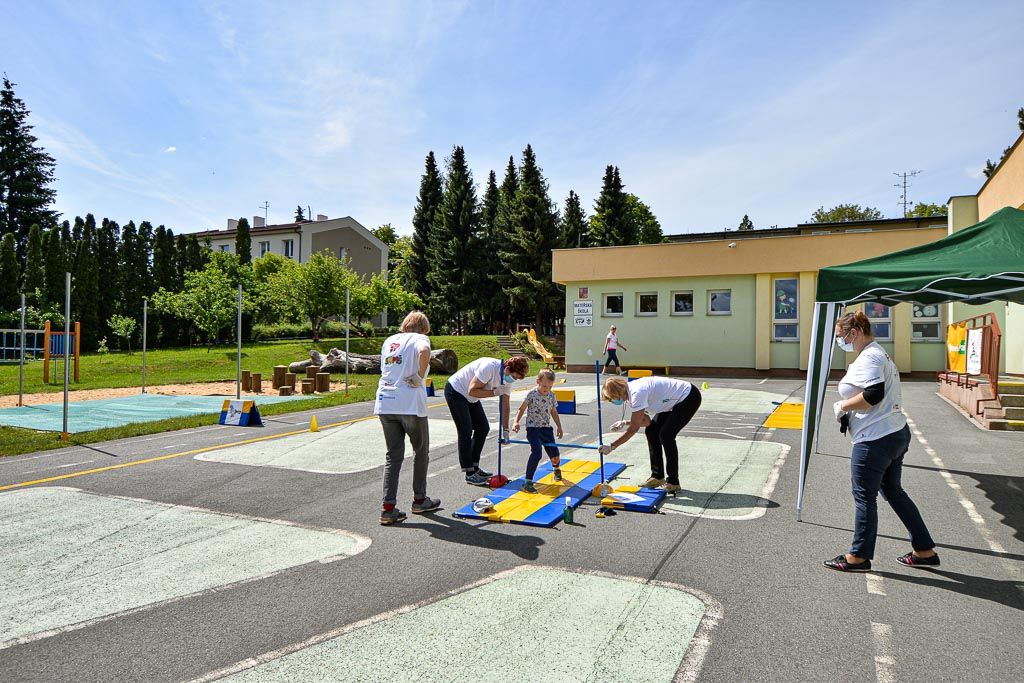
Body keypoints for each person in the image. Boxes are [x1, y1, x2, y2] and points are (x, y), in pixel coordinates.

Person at [823, 311, 938, 572]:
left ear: (854, 333)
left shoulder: (870, 357)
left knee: (864, 496)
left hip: (875, 439)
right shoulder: (877, 353)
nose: (840, 341)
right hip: (893, 432)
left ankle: (858, 556)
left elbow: (873, 394)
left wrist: (842, 406)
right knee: (894, 491)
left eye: (840, 336)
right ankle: (924, 550)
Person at [373, 311, 440, 525]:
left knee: (393, 455)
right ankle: (419, 499)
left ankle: (388, 507)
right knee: (420, 451)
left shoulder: (390, 340)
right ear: (424, 328)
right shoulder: (420, 339)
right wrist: (419, 376)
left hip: (385, 401)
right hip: (409, 402)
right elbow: (424, 351)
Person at [598, 375, 701, 493]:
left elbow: (633, 429)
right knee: (652, 431)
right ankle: (657, 477)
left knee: (666, 436)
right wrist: (625, 422)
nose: (611, 401)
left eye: (610, 399)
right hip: (671, 402)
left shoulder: (637, 393)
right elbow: (646, 422)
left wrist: (612, 446)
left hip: (688, 397)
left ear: (617, 394)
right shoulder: (630, 394)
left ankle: (673, 482)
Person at [445, 355, 530, 486]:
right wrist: (494, 392)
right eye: (514, 377)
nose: (513, 380)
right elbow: (472, 390)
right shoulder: (489, 367)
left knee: (483, 428)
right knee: (465, 430)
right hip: (456, 391)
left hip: (471, 397)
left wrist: (506, 429)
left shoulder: (506, 380)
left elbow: (505, 405)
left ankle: (475, 467)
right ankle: (469, 473)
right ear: (507, 369)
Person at [511, 368, 564, 493]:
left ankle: (556, 468)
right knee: (537, 453)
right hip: (533, 428)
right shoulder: (532, 394)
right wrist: (516, 421)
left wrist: (559, 426)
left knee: (554, 452)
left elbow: (554, 412)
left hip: (546, 428)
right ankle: (528, 481)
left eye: (550, 386)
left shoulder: (552, 395)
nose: (547, 389)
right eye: (545, 386)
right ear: (538, 381)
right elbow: (522, 409)